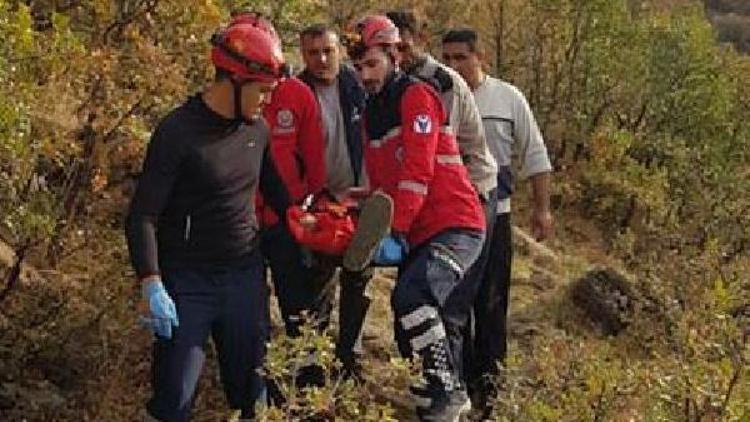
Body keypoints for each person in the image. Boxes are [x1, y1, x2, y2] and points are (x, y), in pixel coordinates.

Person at [125, 14, 290, 421]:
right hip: (187, 285)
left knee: (252, 397)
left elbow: (279, 195)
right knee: (173, 403)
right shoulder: (178, 132)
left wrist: (305, 223)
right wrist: (151, 283)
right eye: (262, 91)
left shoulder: (258, 130)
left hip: (244, 279)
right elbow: (142, 216)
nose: (267, 100)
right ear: (232, 81)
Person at [345, 15, 486, 420]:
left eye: (371, 64)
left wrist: (397, 230)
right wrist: (360, 199)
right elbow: (386, 181)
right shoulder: (372, 112)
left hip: (456, 222)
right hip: (423, 228)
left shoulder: (417, 96)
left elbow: (418, 172)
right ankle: (441, 389)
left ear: (394, 55)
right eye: (357, 67)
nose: (364, 75)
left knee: (415, 296)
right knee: (410, 308)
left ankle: (449, 390)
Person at [442, 27, 554, 415]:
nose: (454, 65)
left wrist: (542, 209)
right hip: (451, 222)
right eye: (448, 58)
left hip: (497, 217)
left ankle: (491, 394)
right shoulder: (440, 96)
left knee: (491, 307)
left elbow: (535, 154)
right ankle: (458, 389)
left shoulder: (508, 97)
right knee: (454, 307)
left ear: (480, 57)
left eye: (461, 57)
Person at [385, 10, 500, 386]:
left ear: (418, 39)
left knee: (446, 307)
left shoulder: (436, 84)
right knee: (412, 305)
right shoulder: (390, 86)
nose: (397, 54)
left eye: (402, 45)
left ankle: (454, 396)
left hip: (467, 195)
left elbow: (431, 159)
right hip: (424, 207)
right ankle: (429, 389)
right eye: (390, 48)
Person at [296, 23, 373, 378]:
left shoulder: (358, 84)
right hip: (322, 201)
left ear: (340, 50)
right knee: (318, 283)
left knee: (359, 278)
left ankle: (350, 359)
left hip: (362, 198)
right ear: (303, 55)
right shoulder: (296, 91)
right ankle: (315, 366)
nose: (321, 59)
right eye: (313, 53)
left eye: (327, 50)